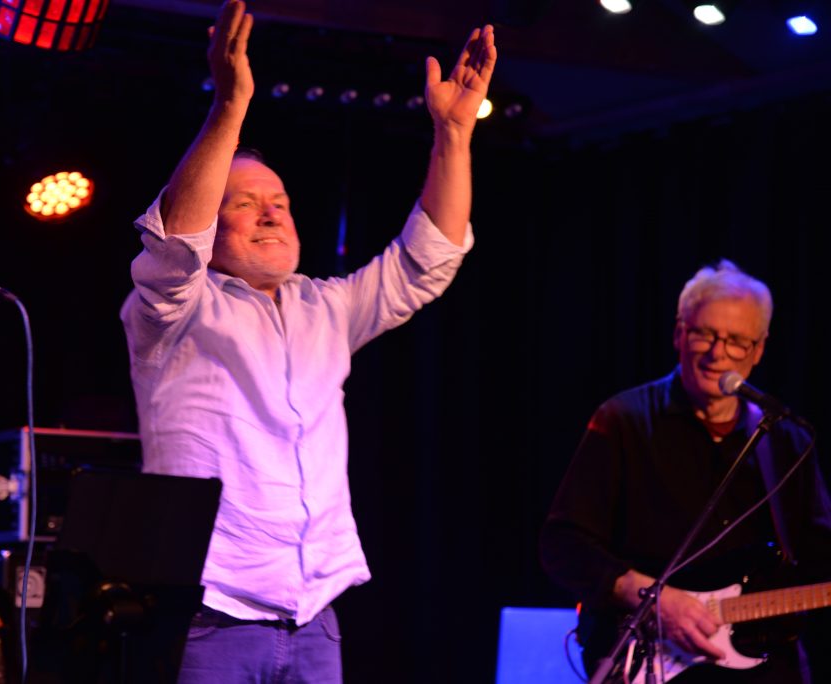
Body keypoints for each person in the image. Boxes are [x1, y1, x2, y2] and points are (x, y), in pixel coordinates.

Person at [118, 1, 496, 681]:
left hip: (316, 613)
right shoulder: (172, 312)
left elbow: (427, 260)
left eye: (281, 203)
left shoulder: (327, 307)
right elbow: (176, 243)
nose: (270, 213)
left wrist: (454, 134)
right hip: (209, 612)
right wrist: (229, 108)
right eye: (243, 203)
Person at [539, 259, 831, 683]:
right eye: (704, 334)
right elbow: (563, 547)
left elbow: (819, 555)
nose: (718, 354)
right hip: (646, 659)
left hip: (765, 666)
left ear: (759, 350)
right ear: (679, 333)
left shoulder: (788, 441)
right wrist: (654, 600)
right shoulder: (623, 420)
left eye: (737, 341)